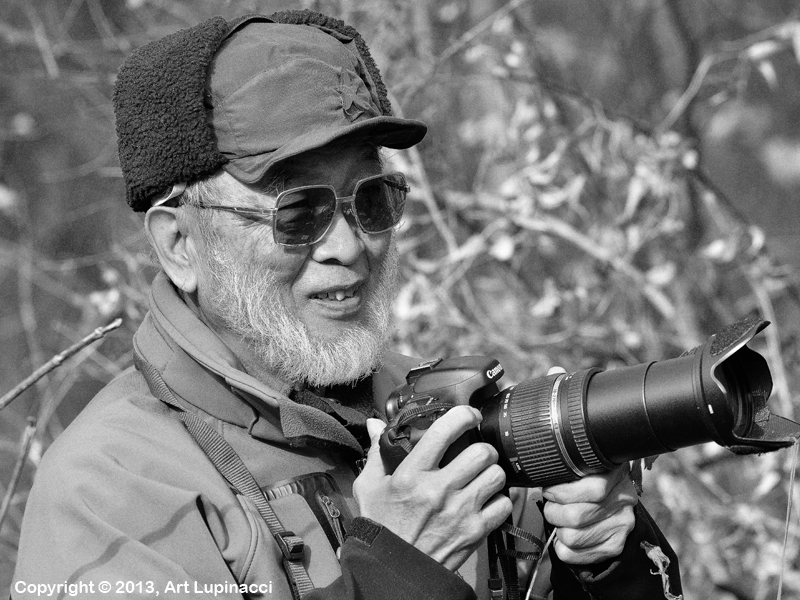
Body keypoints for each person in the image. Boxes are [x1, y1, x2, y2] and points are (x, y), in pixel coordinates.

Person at [12, 10, 681, 600]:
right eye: (298, 212)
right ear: (180, 244)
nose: (348, 246)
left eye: (372, 200)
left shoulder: (425, 414)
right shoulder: (109, 490)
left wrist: (603, 565)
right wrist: (400, 573)